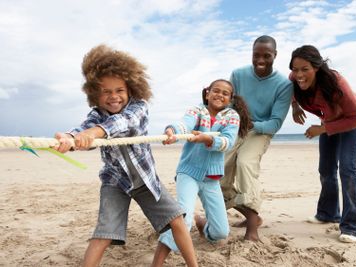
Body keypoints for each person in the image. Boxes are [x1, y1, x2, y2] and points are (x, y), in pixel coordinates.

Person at [53, 44, 198, 267]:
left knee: (177, 219)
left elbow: (122, 122)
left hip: (145, 181)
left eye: (119, 90)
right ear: (95, 93)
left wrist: (94, 132)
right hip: (115, 182)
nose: (113, 97)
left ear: (130, 89)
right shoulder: (96, 115)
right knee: (104, 232)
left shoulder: (138, 107)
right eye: (106, 91)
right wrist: (70, 139)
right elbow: (84, 129)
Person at [152, 79, 252, 266]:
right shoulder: (197, 111)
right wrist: (172, 131)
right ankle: (156, 263)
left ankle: (202, 224)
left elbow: (228, 141)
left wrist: (208, 139)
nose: (219, 95)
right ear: (207, 93)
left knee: (221, 232)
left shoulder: (231, 116)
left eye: (225, 93)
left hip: (211, 178)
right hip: (188, 173)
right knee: (183, 220)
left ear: (230, 99)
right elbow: (185, 124)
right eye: (216, 91)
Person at [289, 45, 356, 243]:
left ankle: (353, 226)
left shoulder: (335, 82)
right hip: (330, 121)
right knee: (326, 168)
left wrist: (322, 129)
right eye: (295, 69)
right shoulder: (294, 79)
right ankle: (328, 213)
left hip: (353, 120)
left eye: (304, 69)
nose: (299, 74)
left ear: (316, 67)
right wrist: (295, 106)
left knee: (347, 168)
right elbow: (288, 88)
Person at [220, 35, 294, 241]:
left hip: (260, 132)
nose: (260, 60)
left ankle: (252, 230)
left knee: (245, 163)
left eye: (267, 55)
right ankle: (252, 215)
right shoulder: (238, 74)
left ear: (275, 55)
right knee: (219, 169)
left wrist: (251, 124)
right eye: (256, 55)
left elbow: (275, 122)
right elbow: (229, 107)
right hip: (236, 128)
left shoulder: (284, 85)